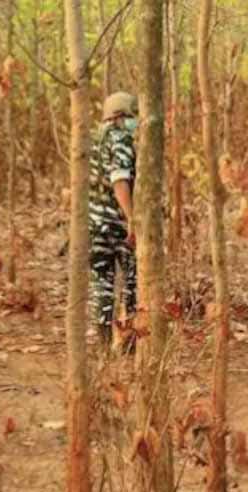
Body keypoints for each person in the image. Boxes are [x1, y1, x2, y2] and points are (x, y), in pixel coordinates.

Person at [88, 91, 139, 346]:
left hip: (94, 223)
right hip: (117, 223)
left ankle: (104, 345)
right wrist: (132, 218)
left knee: (103, 285)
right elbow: (119, 180)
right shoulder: (121, 139)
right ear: (122, 115)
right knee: (132, 281)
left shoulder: (94, 140)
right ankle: (129, 342)